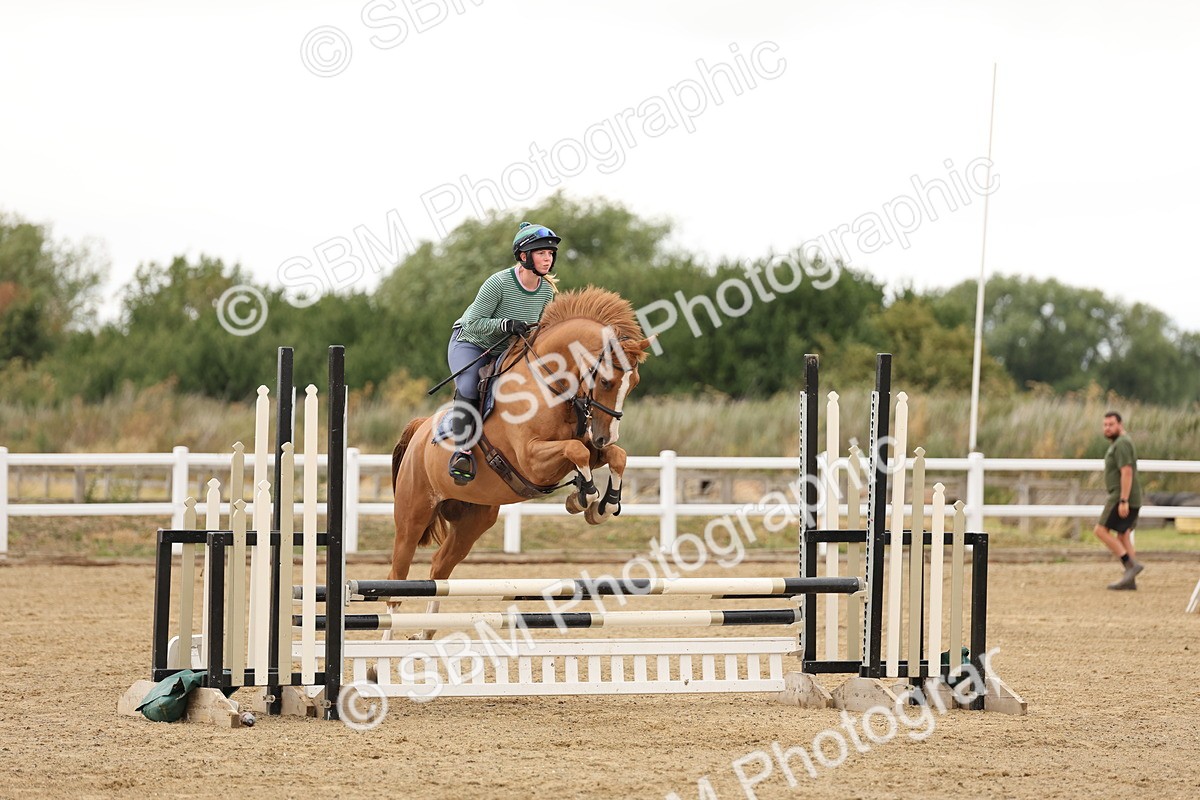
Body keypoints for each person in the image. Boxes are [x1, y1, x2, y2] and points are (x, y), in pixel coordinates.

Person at [444, 221, 561, 484]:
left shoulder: (546, 291)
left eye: (550, 253)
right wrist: (505, 325)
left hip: (508, 350)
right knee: (469, 385)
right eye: (541, 253)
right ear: (524, 256)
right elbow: (473, 322)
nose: (548, 258)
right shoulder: (498, 283)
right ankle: (462, 451)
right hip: (471, 343)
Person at [1093, 411, 1144, 590]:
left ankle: (1130, 565)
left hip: (1121, 496)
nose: (1107, 428)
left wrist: (1123, 500)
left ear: (1120, 425)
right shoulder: (1121, 442)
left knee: (1100, 530)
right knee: (1123, 535)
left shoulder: (1122, 443)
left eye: (1111, 424)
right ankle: (1130, 580)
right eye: (1105, 425)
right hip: (1130, 496)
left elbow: (1127, 471)